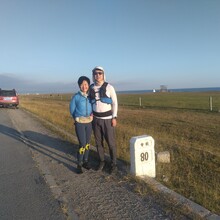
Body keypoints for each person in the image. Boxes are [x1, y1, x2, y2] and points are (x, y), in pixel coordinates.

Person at [90, 66, 118, 174]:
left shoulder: (109, 87)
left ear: (103, 74)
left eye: (99, 73)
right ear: (93, 75)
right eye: (95, 73)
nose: (97, 75)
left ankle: (113, 164)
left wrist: (114, 117)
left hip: (107, 120)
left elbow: (115, 103)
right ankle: (102, 161)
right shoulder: (91, 88)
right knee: (98, 143)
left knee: (111, 143)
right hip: (96, 120)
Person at [69, 76, 93, 174]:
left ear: (88, 85)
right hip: (80, 123)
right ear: (79, 86)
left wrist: (92, 115)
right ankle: (79, 164)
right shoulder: (76, 97)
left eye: (86, 84)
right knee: (82, 144)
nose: (84, 86)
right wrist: (76, 118)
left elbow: (94, 107)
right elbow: (72, 109)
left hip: (89, 122)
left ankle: (85, 162)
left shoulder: (90, 96)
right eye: (82, 84)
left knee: (87, 144)